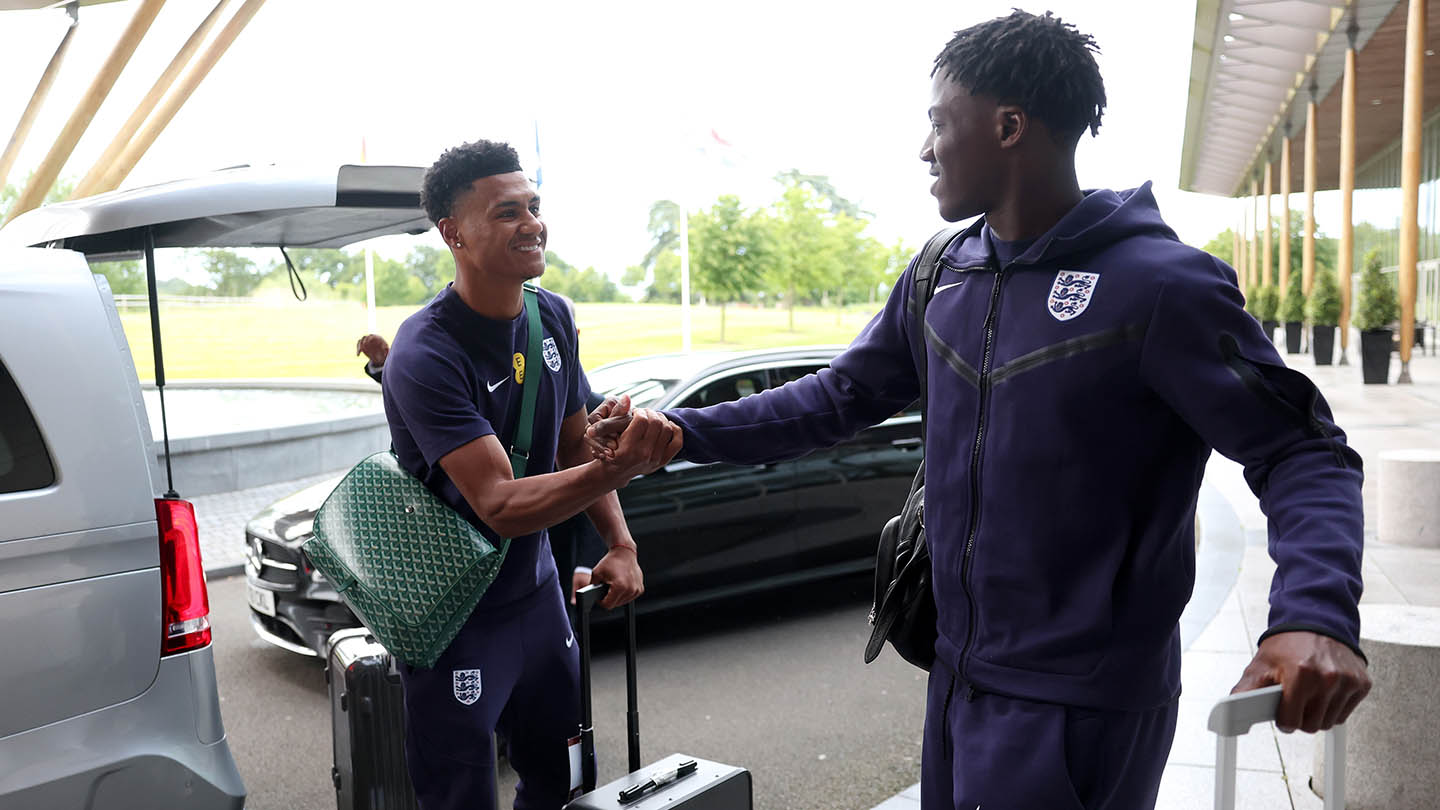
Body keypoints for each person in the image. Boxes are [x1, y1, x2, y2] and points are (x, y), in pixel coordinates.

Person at [589, 11, 1370, 809]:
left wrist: (1312, 614)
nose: (924, 149)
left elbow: (1302, 450)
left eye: (938, 122)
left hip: (1083, 703)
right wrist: (682, 431)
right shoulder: (941, 272)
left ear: (1008, 126)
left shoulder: (1162, 286)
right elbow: (838, 396)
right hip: (956, 679)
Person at [381, 139, 680, 810]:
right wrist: (625, 465)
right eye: (507, 212)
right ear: (453, 233)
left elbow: (575, 445)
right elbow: (499, 504)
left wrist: (621, 543)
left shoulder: (553, 316)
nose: (532, 224)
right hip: (454, 616)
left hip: (539, 597)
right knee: (461, 796)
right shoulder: (426, 351)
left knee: (564, 780)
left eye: (534, 207)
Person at [359, 328, 603, 604]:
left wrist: (590, 561)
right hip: (467, 549)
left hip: (551, 549)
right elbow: (438, 397)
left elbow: (590, 481)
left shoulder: (589, 405)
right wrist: (385, 363)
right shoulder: (486, 372)